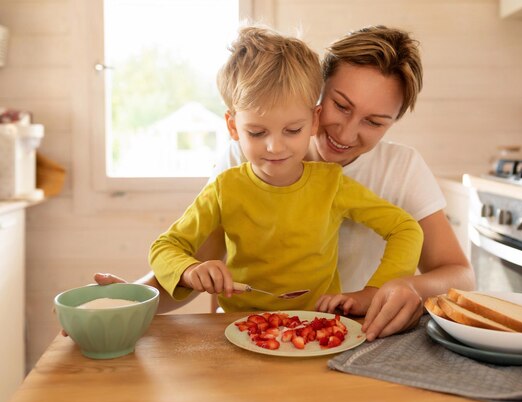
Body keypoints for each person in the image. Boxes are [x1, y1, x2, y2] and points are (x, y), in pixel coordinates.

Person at [91, 25, 474, 341]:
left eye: (374, 122)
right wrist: (128, 302)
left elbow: (460, 275)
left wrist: (406, 287)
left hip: (344, 336)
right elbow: (200, 259)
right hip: (253, 333)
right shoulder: (245, 161)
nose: (346, 131)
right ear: (316, 97)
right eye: (340, 106)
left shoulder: (400, 167)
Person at [148, 26, 423, 314]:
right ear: (233, 127)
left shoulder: (332, 185)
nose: (275, 147)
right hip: (236, 329)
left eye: (292, 130)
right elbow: (165, 247)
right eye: (256, 132)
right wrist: (188, 270)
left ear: (314, 121)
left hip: (316, 330)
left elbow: (405, 229)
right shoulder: (224, 188)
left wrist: (374, 292)